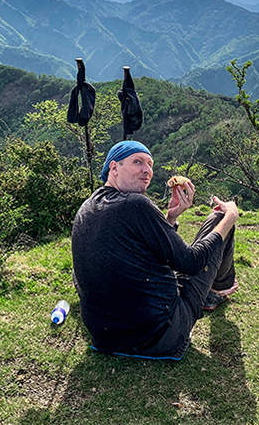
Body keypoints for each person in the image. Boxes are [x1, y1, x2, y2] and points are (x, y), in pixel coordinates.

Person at [71, 141, 241, 360]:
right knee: (218, 219)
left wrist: (171, 217)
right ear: (114, 168)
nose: (147, 170)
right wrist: (230, 217)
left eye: (150, 164)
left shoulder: (89, 206)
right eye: (137, 162)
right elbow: (191, 263)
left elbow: (139, 250)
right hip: (159, 337)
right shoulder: (135, 204)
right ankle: (218, 290)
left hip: (105, 338)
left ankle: (216, 290)